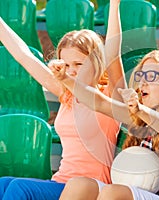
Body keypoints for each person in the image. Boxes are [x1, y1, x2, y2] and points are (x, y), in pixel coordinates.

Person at [0, 0, 125, 198]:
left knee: (19, 188)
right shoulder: (67, 95)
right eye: (66, 65)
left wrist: (115, 5)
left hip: (91, 187)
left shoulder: (110, 97)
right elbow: (23, 56)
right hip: (61, 182)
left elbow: (114, 54)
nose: (72, 71)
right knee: (3, 184)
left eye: (78, 63)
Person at [53, 49, 159, 199]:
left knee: (114, 193)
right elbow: (100, 103)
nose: (142, 83)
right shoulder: (141, 119)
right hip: (148, 195)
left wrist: (140, 110)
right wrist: (64, 79)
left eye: (151, 76)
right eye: (140, 77)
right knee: (80, 184)